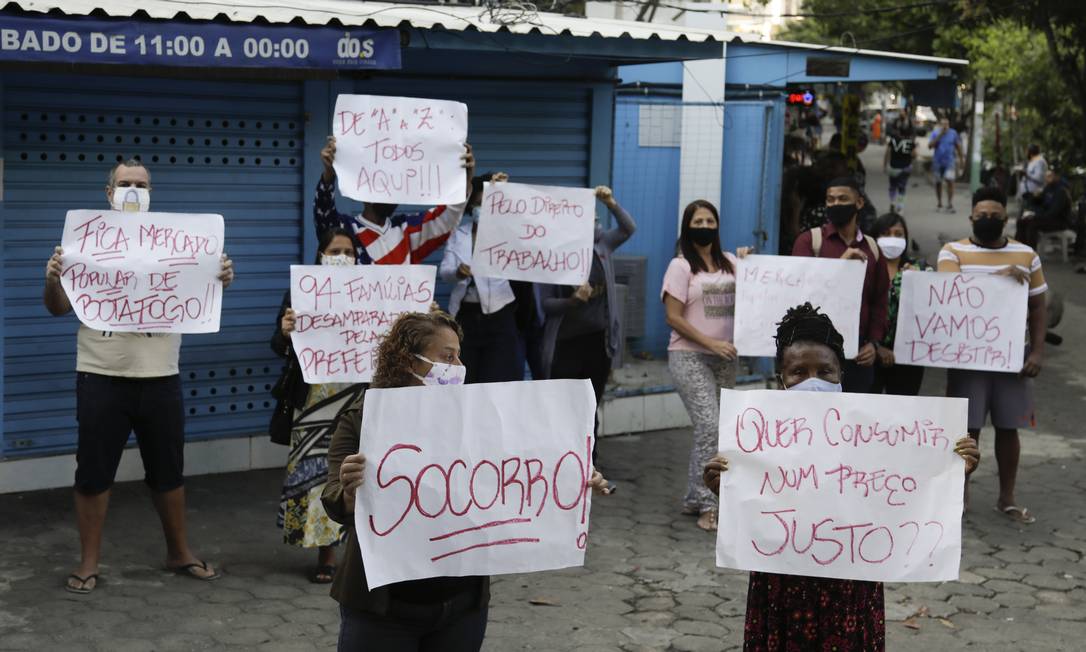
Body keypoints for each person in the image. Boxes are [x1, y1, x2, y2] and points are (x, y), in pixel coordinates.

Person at [322, 311, 609, 651]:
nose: (458, 365)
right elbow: (334, 498)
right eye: (447, 356)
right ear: (407, 360)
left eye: (459, 355)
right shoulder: (363, 420)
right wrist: (351, 491)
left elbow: (524, 465)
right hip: (382, 608)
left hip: (461, 604)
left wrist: (572, 475)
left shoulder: (477, 418)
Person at [702, 303, 979, 652]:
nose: (813, 381)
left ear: (841, 375)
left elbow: (907, 490)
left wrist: (952, 469)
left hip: (850, 580)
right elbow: (754, 509)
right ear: (780, 379)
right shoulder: (758, 434)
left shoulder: (875, 432)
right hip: (782, 580)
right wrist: (722, 491)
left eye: (825, 371)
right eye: (798, 372)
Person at [43, 160, 235, 594]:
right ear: (109, 192)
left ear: (152, 191)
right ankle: (88, 562)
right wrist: (54, 279)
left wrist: (219, 276)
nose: (133, 190)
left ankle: (179, 551)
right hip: (100, 375)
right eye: (125, 184)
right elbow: (56, 307)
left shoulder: (182, 243)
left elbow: (202, 294)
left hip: (161, 377)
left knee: (169, 471)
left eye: (141, 185)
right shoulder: (85, 242)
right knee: (93, 473)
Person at [938, 186, 1047, 524]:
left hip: (1013, 357)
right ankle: (960, 496)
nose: (988, 220)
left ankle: (1007, 498)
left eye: (995, 216)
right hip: (967, 356)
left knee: (1008, 427)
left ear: (1006, 218)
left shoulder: (1027, 255)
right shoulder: (951, 252)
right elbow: (949, 294)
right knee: (967, 430)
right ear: (971, 217)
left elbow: (1039, 305)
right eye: (982, 215)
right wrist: (1001, 279)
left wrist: (1038, 352)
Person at [270, 228, 363, 583]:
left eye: (348, 251)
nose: (342, 257)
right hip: (313, 401)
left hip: (358, 397)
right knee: (318, 475)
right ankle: (326, 553)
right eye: (334, 250)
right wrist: (285, 331)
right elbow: (277, 347)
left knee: (357, 471)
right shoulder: (299, 294)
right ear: (321, 256)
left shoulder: (374, 294)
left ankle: (359, 549)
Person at [661, 200, 743, 532]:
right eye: (699, 220)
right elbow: (673, 317)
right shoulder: (680, 267)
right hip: (689, 355)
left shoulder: (732, 263)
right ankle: (707, 504)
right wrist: (710, 343)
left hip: (725, 358)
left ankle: (696, 495)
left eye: (711, 220)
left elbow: (759, 293)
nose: (705, 225)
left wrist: (753, 263)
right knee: (709, 424)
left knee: (720, 430)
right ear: (688, 226)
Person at [539, 186, 636, 459]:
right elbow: (545, 305)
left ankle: (588, 462)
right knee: (563, 406)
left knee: (590, 405)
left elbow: (628, 229)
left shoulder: (601, 245)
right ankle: (560, 460)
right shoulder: (552, 255)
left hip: (598, 341)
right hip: (565, 343)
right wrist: (572, 301)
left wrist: (611, 203)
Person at [791, 176, 890, 393]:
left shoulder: (872, 248)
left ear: (859, 203)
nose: (835, 204)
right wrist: (839, 267)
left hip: (858, 357)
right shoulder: (809, 242)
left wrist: (873, 344)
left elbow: (880, 300)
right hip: (813, 355)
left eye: (843, 198)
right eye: (830, 199)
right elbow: (800, 294)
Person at [314, 135, 475, 264]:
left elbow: (446, 218)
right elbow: (323, 211)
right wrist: (329, 174)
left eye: (395, 186)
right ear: (363, 191)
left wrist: (463, 179)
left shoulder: (407, 228)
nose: (390, 194)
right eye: (384, 185)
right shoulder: (346, 228)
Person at [438, 172, 523, 384]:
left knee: (498, 377)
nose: (481, 208)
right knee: (466, 378)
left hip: (499, 315)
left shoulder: (506, 233)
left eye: (487, 203)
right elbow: (445, 271)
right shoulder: (459, 235)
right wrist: (458, 272)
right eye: (477, 203)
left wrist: (502, 191)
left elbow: (522, 221)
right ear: (470, 208)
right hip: (465, 315)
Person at [869, 213, 932, 396]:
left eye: (898, 234)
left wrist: (920, 282)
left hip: (908, 357)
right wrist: (875, 346)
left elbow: (934, 308)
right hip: (869, 354)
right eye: (886, 234)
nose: (893, 239)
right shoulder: (865, 268)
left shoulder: (921, 269)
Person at [1015, 168, 1072, 249]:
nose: (1047, 178)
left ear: (1057, 176)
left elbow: (1053, 212)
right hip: (1047, 217)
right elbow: (1041, 202)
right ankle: (1020, 249)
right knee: (1021, 221)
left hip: (1059, 221)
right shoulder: (1049, 187)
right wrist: (1033, 196)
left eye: (1050, 176)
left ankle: (1031, 252)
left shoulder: (1062, 191)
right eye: (1046, 176)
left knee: (1032, 224)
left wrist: (1035, 215)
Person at [882, 115, 916, 215]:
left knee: (892, 186)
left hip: (893, 167)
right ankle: (900, 207)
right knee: (902, 187)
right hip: (905, 167)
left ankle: (892, 202)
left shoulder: (892, 141)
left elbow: (887, 153)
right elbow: (914, 154)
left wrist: (885, 165)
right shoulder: (910, 142)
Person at [929, 117, 963, 213]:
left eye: (946, 124)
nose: (945, 126)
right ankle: (939, 203)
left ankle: (950, 203)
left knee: (950, 181)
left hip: (949, 162)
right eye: (943, 124)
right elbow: (930, 146)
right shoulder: (935, 133)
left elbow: (958, 146)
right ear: (940, 125)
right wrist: (940, 135)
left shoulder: (953, 133)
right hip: (938, 162)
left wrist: (961, 160)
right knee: (938, 183)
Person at [1018, 144, 1048, 214]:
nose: (1026, 153)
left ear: (1030, 152)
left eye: (1026, 151)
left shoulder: (1040, 161)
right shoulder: (1033, 161)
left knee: (1030, 214)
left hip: (1034, 194)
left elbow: (1039, 178)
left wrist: (1026, 174)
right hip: (1028, 194)